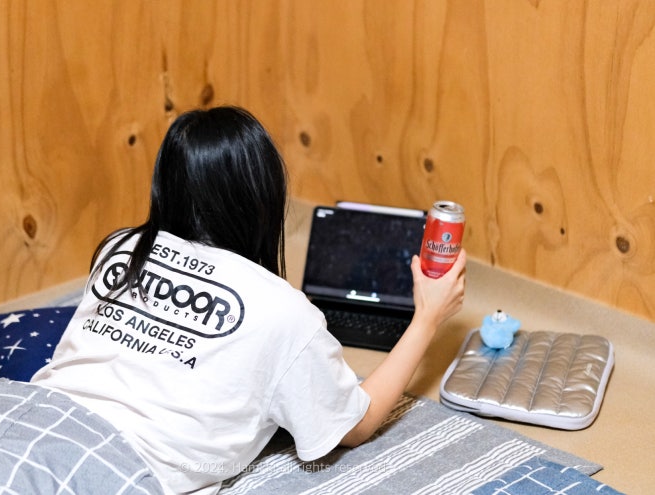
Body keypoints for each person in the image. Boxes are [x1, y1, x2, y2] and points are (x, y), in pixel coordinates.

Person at [30, 106, 466, 495]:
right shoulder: (283, 312)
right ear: (261, 199)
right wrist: (427, 318)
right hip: (108, 471)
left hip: (26, 416)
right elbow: (355, 424)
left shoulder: (122, 248)